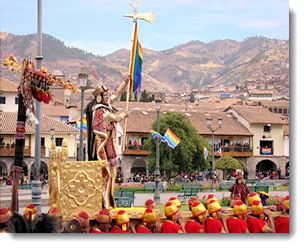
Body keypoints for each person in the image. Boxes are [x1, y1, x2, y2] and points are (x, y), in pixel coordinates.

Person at [84, 75, 130, 210]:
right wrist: (124, 114)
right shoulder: (100, 109)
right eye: (105, 95)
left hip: (109, 142)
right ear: (99, 97)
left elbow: (115, 95)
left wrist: (125, 83)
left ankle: (109, 200)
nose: (107, 96)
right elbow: (115, 119)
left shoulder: (106, 105)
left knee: (112, 171)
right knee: (106, 173)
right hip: (101, 145)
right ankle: (104, 202)